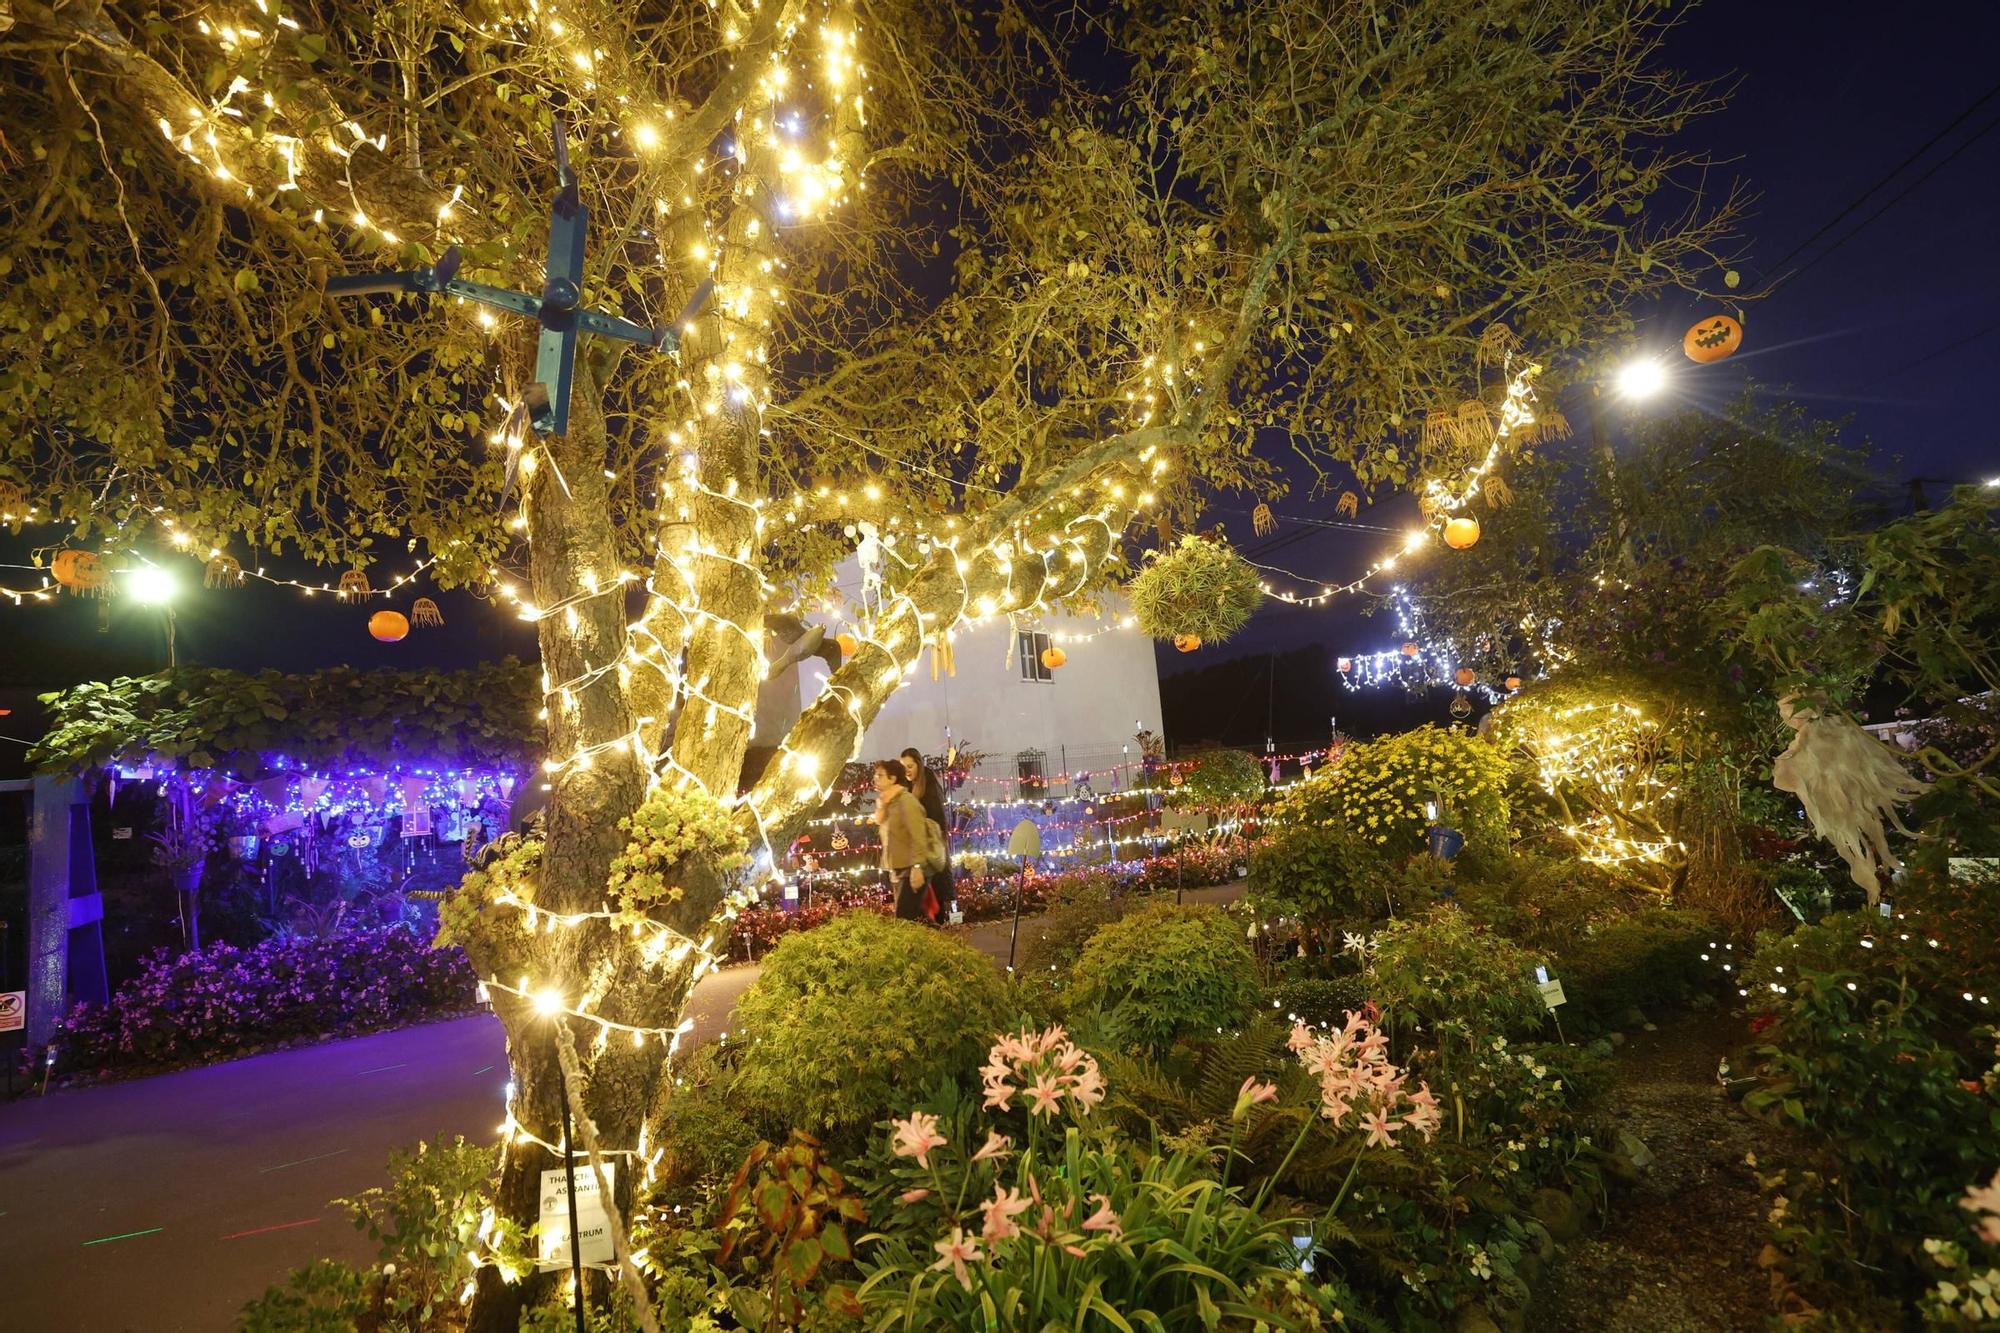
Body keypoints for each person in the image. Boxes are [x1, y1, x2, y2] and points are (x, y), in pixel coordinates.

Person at [872, 758, 932, 921]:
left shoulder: (905, 801)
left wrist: (917, 867)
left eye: (880, 775)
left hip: (911, 867)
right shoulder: (887, 803)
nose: (875, 779)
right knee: (906, 919)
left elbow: (919, 835)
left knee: (905, 919)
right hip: (898, 868)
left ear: (892, 779)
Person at [902, 746, 956, 921]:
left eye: (910, 766)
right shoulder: (909, 786)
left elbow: (937, 818)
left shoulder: (929, 785)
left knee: (935, 891)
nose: (906, 770)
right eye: (903, 767)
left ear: (918, 764)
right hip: (917, 847)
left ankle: (938, 924)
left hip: (931, 846)